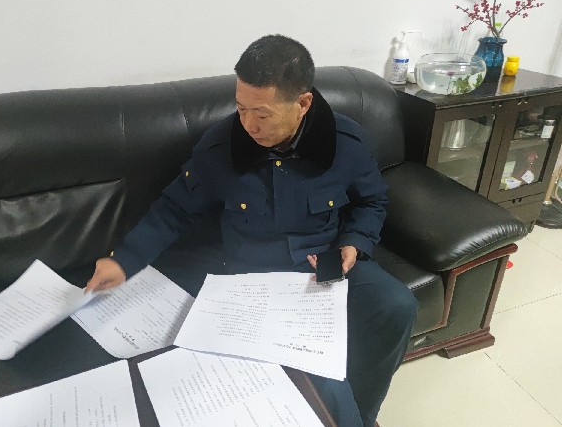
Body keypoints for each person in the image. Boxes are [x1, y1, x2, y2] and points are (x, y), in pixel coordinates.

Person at [86, 34, 417, 427]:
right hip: (252, 279)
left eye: (262, 114)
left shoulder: (345, 143)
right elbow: (174, 210)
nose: (248, 125)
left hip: (322, 268)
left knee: (398, 305)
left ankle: (364, 414)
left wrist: (353, 243)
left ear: (303, 103)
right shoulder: (220, 147)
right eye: (241, 108)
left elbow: (371, 201)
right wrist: (123, 261)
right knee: (326, 381)